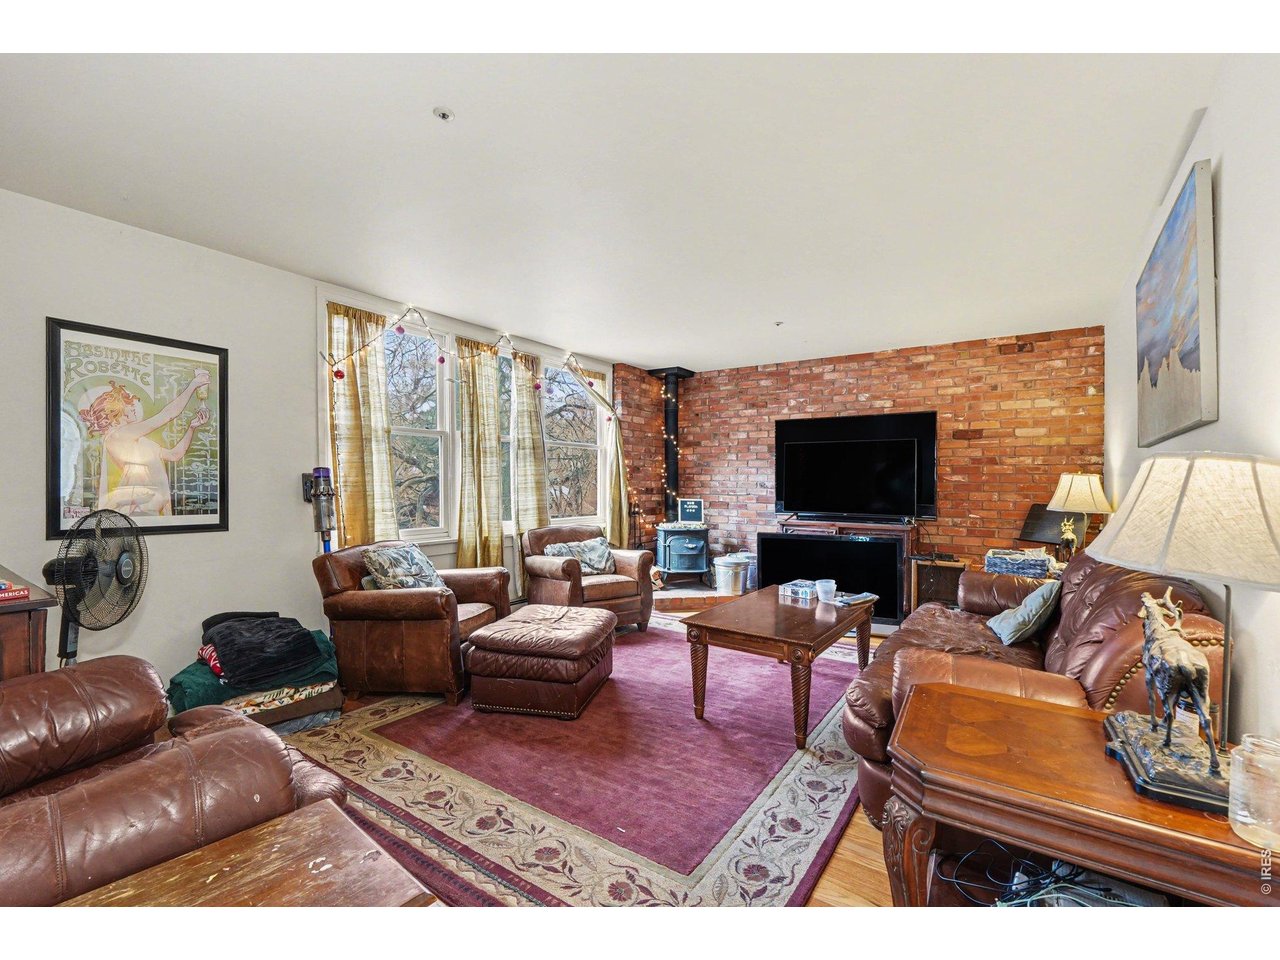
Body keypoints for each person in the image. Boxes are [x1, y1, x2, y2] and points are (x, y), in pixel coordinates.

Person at [78, 370, 211, 516]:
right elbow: (166, 415)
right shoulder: (117, 436)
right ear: (116, 410)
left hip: (150, 507)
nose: (134, 405)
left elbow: (174, 455)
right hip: (133, 509)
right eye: (129, 404)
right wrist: (193, 386)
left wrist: (192, 427)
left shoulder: (141, 442)